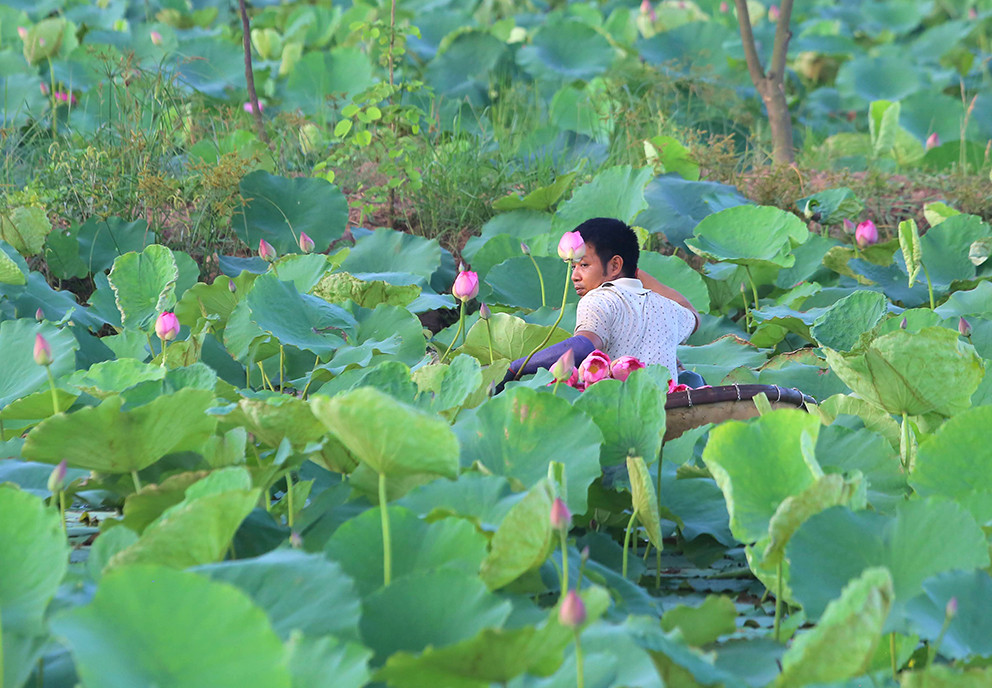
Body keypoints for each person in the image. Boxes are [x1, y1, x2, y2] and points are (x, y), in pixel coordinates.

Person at [506, 217, 702, 386]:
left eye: (584, 265)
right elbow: (693, 314)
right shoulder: (669, 308)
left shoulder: (599, 299)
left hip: (616, 409)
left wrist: (516, 368)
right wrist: (634, 271)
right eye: (573, 266)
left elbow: (583, 346)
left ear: (616, 264)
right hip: (665, 408)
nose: (574, 275)